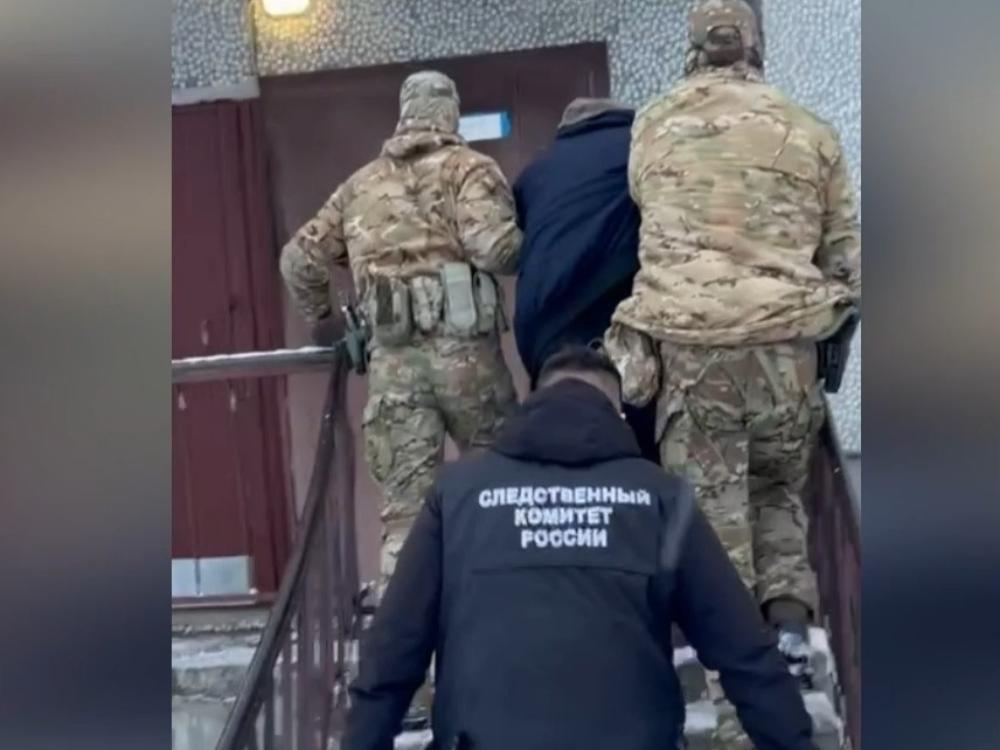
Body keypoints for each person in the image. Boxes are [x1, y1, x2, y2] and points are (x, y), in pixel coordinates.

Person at [343, 345, 818, 750]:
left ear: (533, 403)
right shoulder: (660, 497)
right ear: (617, 414)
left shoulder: (458, 496)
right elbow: (743, 652)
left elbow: (393, 650)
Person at [605, 0, 861, 711]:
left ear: (694, 47)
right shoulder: (811, 130)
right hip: (787, 353)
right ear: (755, 44)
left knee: (711, 520)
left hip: (695, 354)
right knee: (777, 490)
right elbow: (846, 262)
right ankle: (791, 635)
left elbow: (645, 204)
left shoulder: (654, 124)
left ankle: (732, 695)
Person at [280, 70, 521, 597]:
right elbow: (494, 250)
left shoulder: (360, 185)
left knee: (406, 517)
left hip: (393, 369)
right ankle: (499, 615)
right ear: (450, 111)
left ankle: (402, 641)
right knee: (501, 492)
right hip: (469, 364)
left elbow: (298, 259)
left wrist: (325, 322)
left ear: (404, 113)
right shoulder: (469, 169)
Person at [511, 99, 656, 460]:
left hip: (542, 329)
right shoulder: (641, 154)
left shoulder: (536, 172)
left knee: (557, 431)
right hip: (616, 317)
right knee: (637, 436)